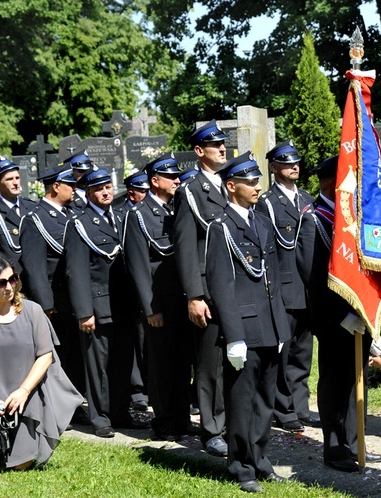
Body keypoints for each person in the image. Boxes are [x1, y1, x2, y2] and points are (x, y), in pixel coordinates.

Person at [205, 152, 291, 493]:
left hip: (269, 326)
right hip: (245, 328)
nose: (258, 186)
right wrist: (234, 336)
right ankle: (241, 466)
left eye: (258, 180)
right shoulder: (221, 228)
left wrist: (280, 326)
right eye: (250, 181)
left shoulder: (262, 222)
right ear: (232, 186)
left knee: (264, 401)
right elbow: (221, 285)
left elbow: (273, 280)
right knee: (241, 403)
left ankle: (259, 457)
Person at [0, 255, 83, 471]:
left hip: (26, 399)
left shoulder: (33, 311)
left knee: (19, 466)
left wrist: (23, 391)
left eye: (13, 279)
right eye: (2, 283)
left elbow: (46, 356)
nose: (9, 286)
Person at [296, 156, 381, 473]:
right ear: (331, 182)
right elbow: (313, 276)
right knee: (335, 381)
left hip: (359, 315)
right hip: (334, 320)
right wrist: (342, 314)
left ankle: (355, 441)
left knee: (356, 380)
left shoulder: (353, 218)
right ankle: (335, 448)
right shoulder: (315, 219)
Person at [65, 166, 144, 438]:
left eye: (108, 186)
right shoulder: (79, 223)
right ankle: (100, 418)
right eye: (98, 188)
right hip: (98, 307)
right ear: (87, 193)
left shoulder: (122, 217)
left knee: (122, 362)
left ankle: (121, 411)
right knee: (98, 366)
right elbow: (75, 271)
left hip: (124, 304)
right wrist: (84, 312)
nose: (106, 192)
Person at [123, 152, 193, 440]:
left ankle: (182, 416)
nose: (177, 180)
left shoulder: (176, 210)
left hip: (181, 298)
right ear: (155, 181)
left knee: (181, 360)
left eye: (177, 175)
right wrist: (150, 308)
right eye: (171, 176)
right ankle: (164, 420)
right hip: (159, 303)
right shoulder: (138, 215)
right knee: (162, 364)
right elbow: (138, 266)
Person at [172, 119, 229, 457]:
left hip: (236, 288)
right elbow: (186, 247)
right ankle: (211, 429)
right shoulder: (190, 191)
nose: (223, 149)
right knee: (210, 365)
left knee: (237, 359)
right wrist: (194, 295)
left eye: (223, 144)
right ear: (199, 151)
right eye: (214, 145)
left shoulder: (230, 184)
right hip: (208, 290)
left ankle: (234, 421)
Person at [255, 140, 317, 433]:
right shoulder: (267, 202)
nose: (295, 167)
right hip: (283, 286)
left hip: (306, 287)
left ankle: (301, 405)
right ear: (274, 167)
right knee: (283, 351)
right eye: (287, 163)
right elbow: (266, 248)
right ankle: (284, 408)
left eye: (296, 162)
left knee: (303, 352)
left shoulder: (306, 198)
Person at [19, 165, 86, 409]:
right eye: (71, 185)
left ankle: (74, 404)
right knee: (56, 356)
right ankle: (55, 406)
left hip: (71, 299)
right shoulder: (35, 219)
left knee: (74, 356)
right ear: (56, 187)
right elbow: (35, 266)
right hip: (54, 301)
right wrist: (45, 304)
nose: (75, 190)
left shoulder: (70, 214)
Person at [120, 167, 151, 412]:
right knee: (137, 340)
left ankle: (150, 385)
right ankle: (138, 388)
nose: (147, 195)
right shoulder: (125, 214)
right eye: (143, 192)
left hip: (151, 289)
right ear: (132, 194)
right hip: (130, 288)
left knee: (148, 342)